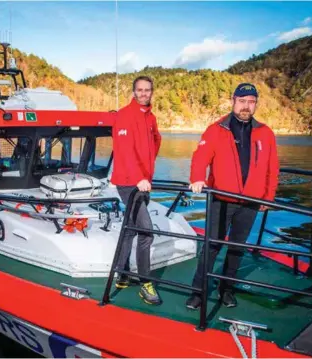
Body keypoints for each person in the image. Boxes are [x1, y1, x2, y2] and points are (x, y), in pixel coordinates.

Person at [185, 83, 280, 310]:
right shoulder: (217, 129)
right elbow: (201, 157)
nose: (246, 106)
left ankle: (226, 289)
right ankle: (199, 291)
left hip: (251, 202)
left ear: (256, 104)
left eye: (251, 101)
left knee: (237, 248)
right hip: (221, 199)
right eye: (242, 101)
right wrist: (198, 178)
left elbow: (272, 168)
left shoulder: (265, 133)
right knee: (212, 246)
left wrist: (268, 197)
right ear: (233, 101)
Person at [110, 76, 162, 305]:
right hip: (128, 183)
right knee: (146, 232)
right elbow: (125, 151)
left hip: (143, 182)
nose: (143, 93)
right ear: (134, 92)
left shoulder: (151, 118)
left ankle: (122, 274)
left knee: (131, 229)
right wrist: (139, 177)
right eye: (139, 90)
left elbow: (156, 142)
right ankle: (145, 283)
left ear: (151, 92)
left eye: (147, 90)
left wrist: (147, 174)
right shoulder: (124, 116)